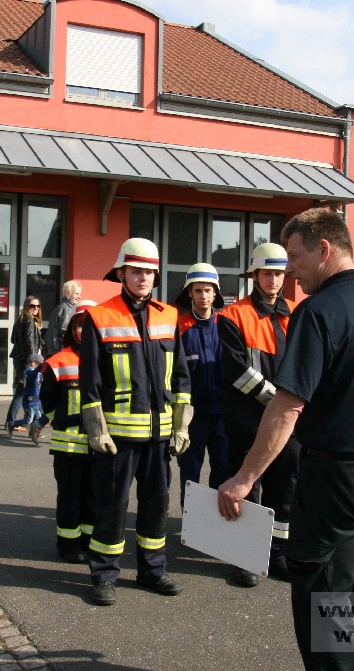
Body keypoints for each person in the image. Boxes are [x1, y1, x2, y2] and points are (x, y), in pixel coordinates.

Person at [218, 208, 354, 671]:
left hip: (336, 478)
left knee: (322, 594)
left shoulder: (318, 312)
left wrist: (244, 479)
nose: (290, 269)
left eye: (295, 257)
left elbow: (287, 406)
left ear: (324, 249)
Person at [80, 237, 193, 606]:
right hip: (117, 439)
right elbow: (90, 382)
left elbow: (181, 377)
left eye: (149, 272)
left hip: (159, 437)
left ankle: (152, 570)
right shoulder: (100, 316)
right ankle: (104, 575)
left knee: (157, 504)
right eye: (136, 271)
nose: (143, 277)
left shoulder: (169, 316)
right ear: (121, 273)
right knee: (112, 505)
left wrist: (181, 425)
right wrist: (97, 431)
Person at [216, 242, 299, 587]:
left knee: (285, 487)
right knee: (247, 488)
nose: (273, 280)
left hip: (287, 421)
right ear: (254, 275)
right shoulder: (232, 316)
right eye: (267, 273)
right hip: (247, 417)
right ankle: (245, 557)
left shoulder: (297, 313)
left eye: (279, 274)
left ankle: (277, 555)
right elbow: (235, 370)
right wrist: (277, 400)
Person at [40, 300, 98, 563]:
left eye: (90, 326)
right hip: (68, 447)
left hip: (98, 446)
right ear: (72, 328)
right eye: (80, 326)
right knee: (70, 498)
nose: (84, 331)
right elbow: (47, 402)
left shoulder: (106, 360)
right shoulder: (58, 362)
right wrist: (62, 421)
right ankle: (68, 546)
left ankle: (88, 542)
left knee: (93, 498)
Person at [173, 263, 229, 506]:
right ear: (189, 293)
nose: (203, 296)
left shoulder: (226, 326)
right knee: (190, 473)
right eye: (198, 290)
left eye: (208, 290)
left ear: (215, 293)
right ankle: (190, 520)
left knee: (223, 471)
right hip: (191, 417)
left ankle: (218, 521)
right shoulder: (179, 327)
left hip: (223, 415)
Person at [6, 295, 46, 435]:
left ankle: (15, 422)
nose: (36, 308)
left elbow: (13, 339)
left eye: (38, 306)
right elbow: (29, 341)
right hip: (27, 361)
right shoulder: (29, 320)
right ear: (27, 306)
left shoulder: (21, 319)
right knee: (25, 392)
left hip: (20, 358)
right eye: (32, 306)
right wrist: (33, 361)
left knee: (23, 391)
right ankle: (14, 423)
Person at [11, 352, 50, 444]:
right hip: (29, 400)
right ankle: (12, 424)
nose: (40, 366)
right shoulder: (29, 371)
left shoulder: (37, 372)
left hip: (36, 400)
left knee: (38, 417)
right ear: (33, 363)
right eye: (39, 364)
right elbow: (32, 376)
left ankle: (33, 433)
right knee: (28, 420)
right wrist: (39, 369)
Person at [44, 280, 82, 356]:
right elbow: (65, 332)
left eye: (80, 294)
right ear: (68, 293)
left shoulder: (63, 307)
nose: (79, 297)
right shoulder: (66, 309)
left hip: (56, 350)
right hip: (61, 351)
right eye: (76, 294)